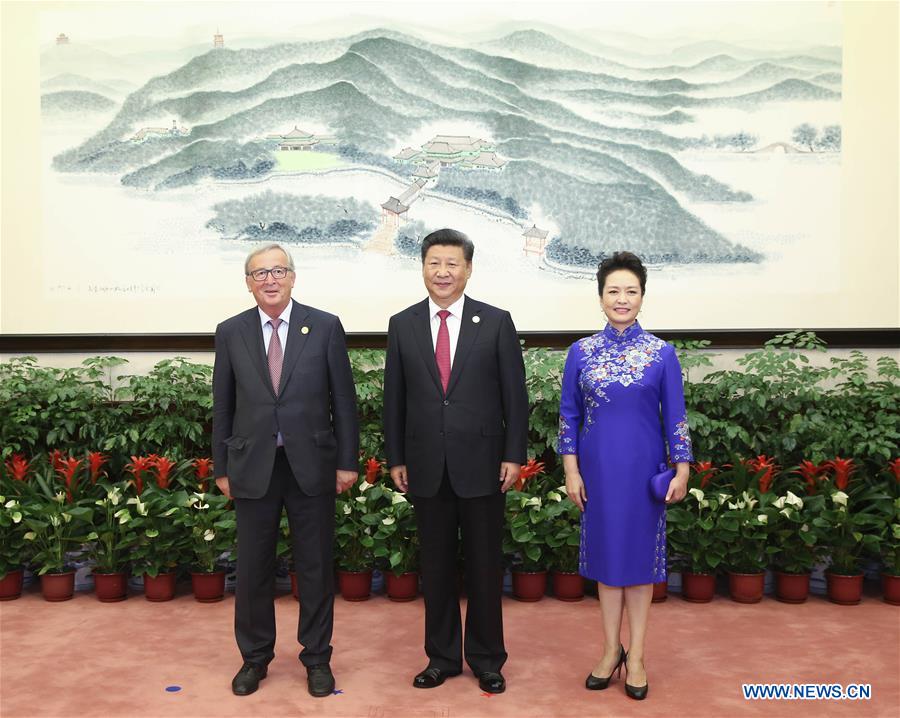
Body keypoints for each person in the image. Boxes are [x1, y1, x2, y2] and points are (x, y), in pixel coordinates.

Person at [383, 228, 529, 694]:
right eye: (434, 263)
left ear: (468, 269)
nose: (442, 272)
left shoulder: (497, 321)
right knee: (437, 567)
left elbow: (515, 398)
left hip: (485, 463)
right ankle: (442, 657)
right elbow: (394, 401)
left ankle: (487, 659)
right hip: (426, 463)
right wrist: (396, 457)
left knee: (486, 567)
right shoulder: (402, 324)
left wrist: (513, 455)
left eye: (452, 263)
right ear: (422, 267)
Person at [212, 243, 359, 698]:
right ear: (248, 283)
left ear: (293, 277)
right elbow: (224, 403)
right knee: (253, 569)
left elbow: (344, 401)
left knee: (314, 566)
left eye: (277, 271)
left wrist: (347, 461)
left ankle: (317, 658)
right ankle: (254, 659)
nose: (269, 280)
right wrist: (222, 466)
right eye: (259, 274)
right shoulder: (231, 331)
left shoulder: (325, 326)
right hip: (252, 465)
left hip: (311, 463)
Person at [558, 251, 692, 701]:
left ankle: (636, 655)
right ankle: (608, 650)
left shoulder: (661, 353)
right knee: (606, 565)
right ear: (600, 298)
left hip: (643, 473)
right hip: (596, 474)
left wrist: (683, 468)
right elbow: (568, 417)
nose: (621, 299)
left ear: (642, 297)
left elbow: (676, 416)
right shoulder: (580, 353)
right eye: (613, 291)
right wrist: (571, 471)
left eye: (630, 291)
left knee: (639, 567)